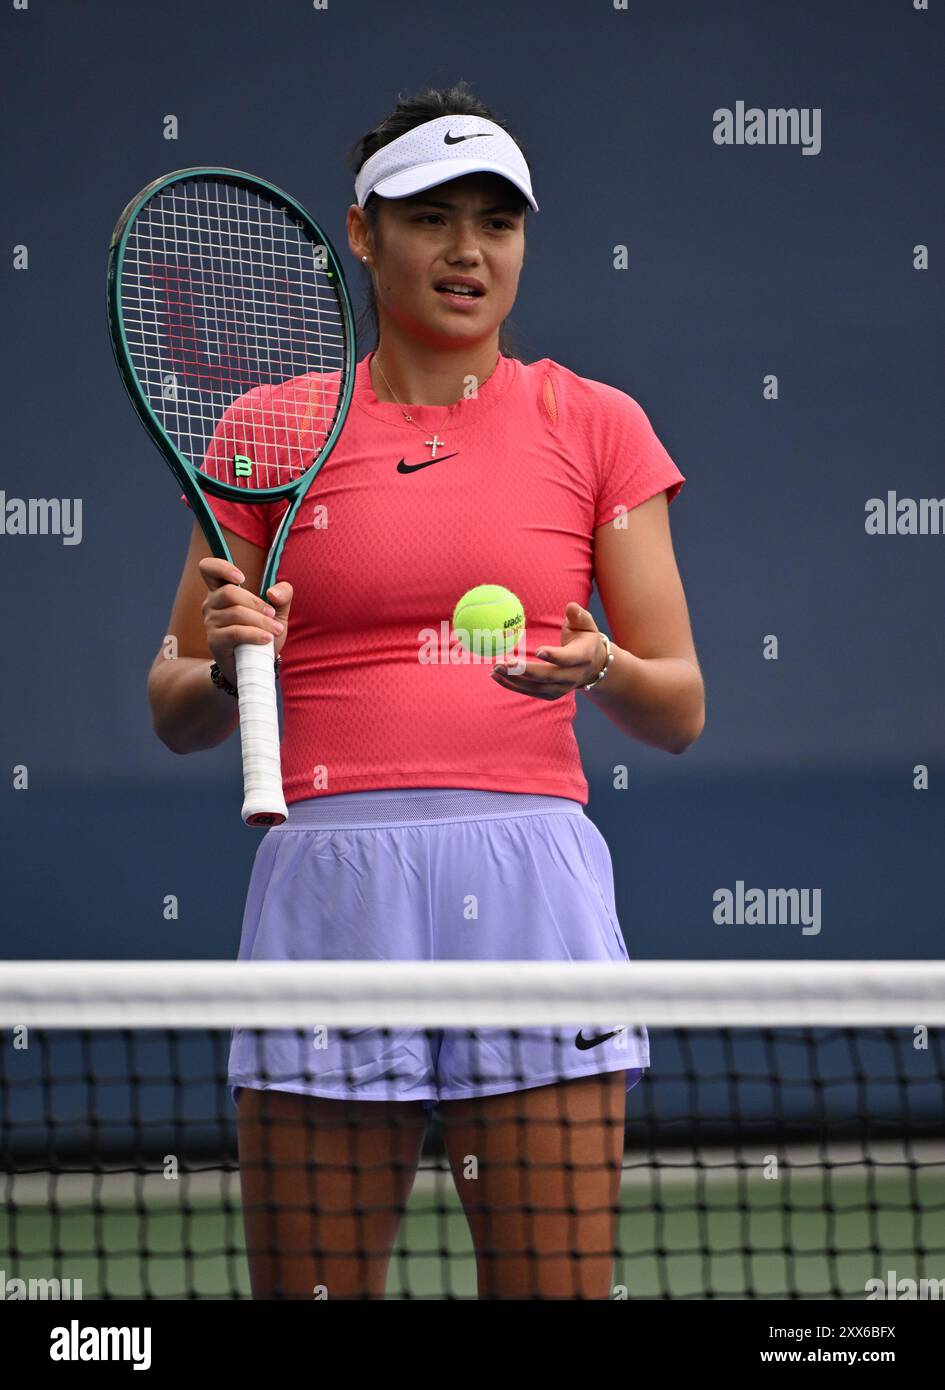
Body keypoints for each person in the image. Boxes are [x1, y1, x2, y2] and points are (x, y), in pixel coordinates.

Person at [148, 81, 705, 1300]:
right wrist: (240, 659)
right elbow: (175, 699)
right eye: (431, 216)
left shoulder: (594, 423)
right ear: (362, 232)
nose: (468, 250)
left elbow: (678, 704)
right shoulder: (269, 431)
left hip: (531, 895)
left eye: (497, 222)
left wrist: (599, 661)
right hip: (329, 893)